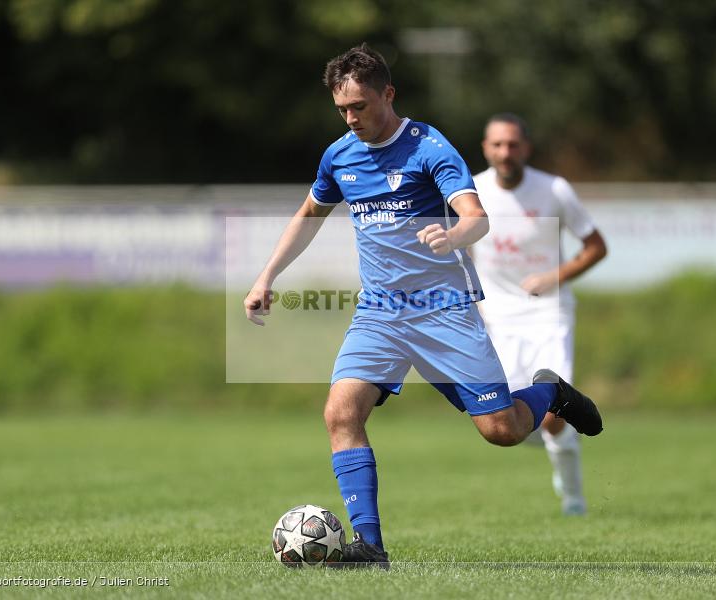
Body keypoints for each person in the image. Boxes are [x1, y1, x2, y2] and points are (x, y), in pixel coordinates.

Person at [244, 44, 603, 568]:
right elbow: (310, 213)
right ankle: (369, 547)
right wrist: (267, 275)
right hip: (380, 313)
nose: (351, 119)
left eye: (360, 107)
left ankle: (548, 387)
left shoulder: (428, 146)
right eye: (342, 109)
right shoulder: (339, 155)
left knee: (501, 432)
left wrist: (454, 235)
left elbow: (476, 217)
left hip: (443, 309)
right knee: (341, 413)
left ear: (388, 95)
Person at [471, 114, 607, 515]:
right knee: (505, 420)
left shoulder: (553, 190)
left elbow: (596, 246)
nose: (505, 152)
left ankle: (573, 500)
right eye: (497, 145)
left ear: (526, 148)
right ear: (485, 148)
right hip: (498, 319)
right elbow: (459, 250)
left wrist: (553, 277)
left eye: (512, 144)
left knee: (551, 414)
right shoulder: (471, 191)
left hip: (550, 313)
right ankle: (561, 439)